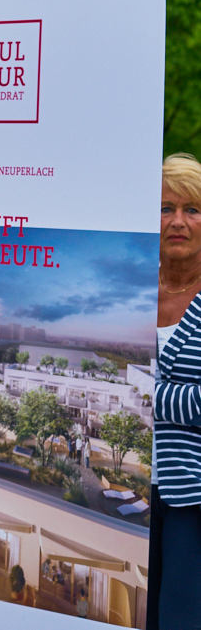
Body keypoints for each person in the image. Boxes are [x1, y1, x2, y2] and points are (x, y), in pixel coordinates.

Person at [149, 152, 201, 630]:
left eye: (192, 210)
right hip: (134, 492)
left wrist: (151, 398)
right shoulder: (134, 294)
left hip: (192, 501)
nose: (178, 222)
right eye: (166, 208)